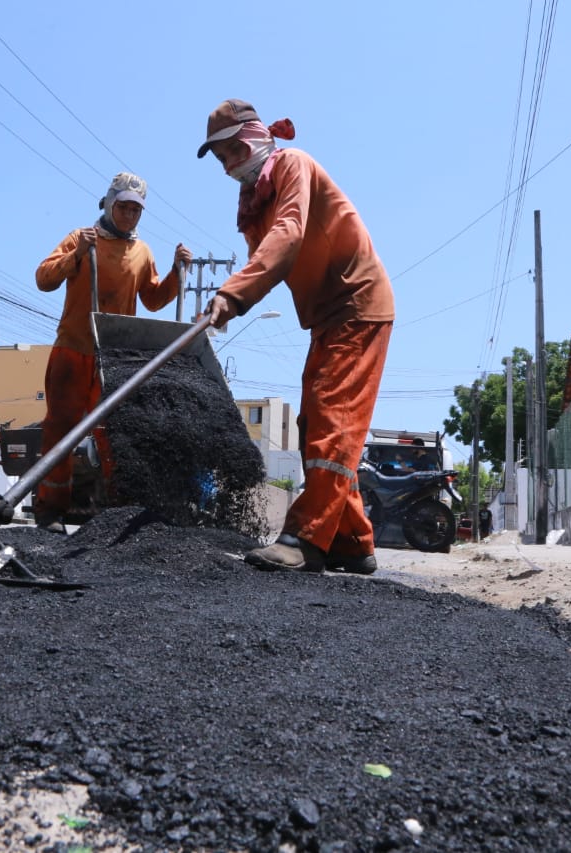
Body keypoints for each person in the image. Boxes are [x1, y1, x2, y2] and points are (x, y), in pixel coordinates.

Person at [198, 98, 394, 575]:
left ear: (253, 139)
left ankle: (303, 537)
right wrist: (232, 300)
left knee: (333, 419)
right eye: (220, 160)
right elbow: (264, 258)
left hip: (358, 302)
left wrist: (233, 295)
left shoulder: (292, 166)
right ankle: (352, 541)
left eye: (230, 152)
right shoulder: (253, 204)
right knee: (315, 427)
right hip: (327, 315)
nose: (227, 167)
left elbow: (287, 236)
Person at [32, 172, 193, 533]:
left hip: (114, 358)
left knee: (116, 435)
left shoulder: (141, 252)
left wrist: (175, 273)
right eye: (123, 207)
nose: (130, 215)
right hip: (74, 350)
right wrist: (75, 256)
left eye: (136, 210)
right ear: (108, 203)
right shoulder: (80, 239)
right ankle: (50, 510)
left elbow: (152, 300)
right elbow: (43, 279)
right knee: (60, 429)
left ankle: (115, 513)